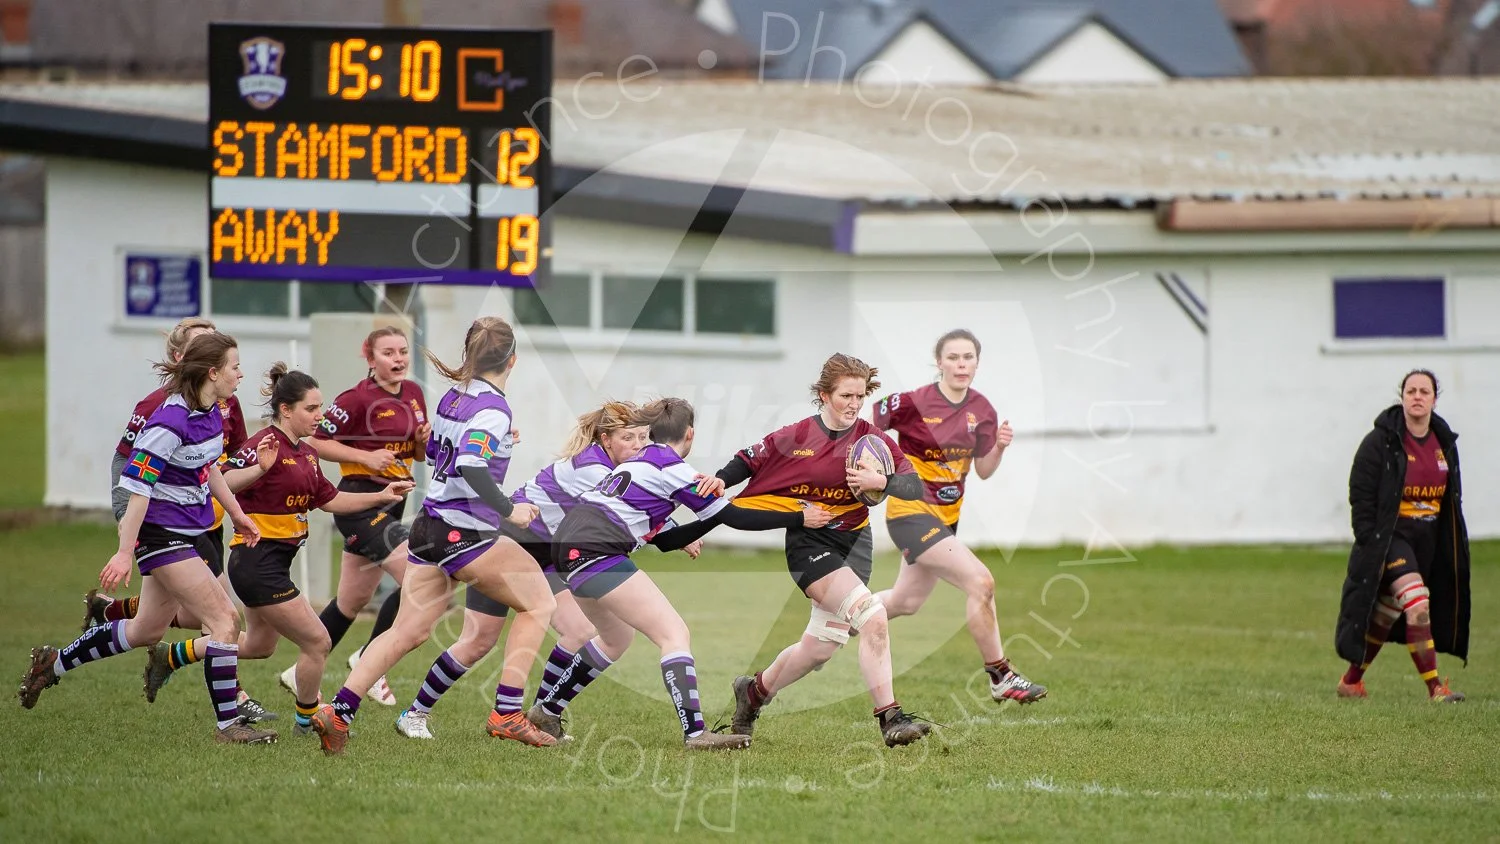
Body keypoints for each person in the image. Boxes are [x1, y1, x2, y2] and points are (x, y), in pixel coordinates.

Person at [310, 317, 557, 754]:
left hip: (429, 525)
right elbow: (471, 466)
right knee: (540, 603)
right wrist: (510, 509)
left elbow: (462, 450)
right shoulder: (493, 409)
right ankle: (507, 713)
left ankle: (339, 710)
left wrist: (499, 442)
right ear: (512, 360)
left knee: (408, 631)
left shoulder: (453, 396)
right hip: (468, 530)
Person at [18, 333, 277, 744]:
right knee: (225, 620)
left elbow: (209, 470)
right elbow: (138, 488)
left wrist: (239, 514)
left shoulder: (212, 412)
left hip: (183, 533)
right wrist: (125, 551)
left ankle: (54, 663)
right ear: (213, 373)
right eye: (234, 366)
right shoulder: (167, 421)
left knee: (144, 632)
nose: (240, 373)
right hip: (161, 535)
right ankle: (230, 726)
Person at [142, 364, 412, 735]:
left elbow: (329, 500)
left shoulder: (306, 452)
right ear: (286, 410)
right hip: (257, 562)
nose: (320, 416)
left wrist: (380, 495)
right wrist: (258, 469)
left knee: (258, 645)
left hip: (274, 563)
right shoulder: (264, 444)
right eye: (311, 409)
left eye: (320, 408)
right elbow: (221, 481)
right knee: (318, 641)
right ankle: (308, 720)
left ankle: (173, 655)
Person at [395, 401, 660, 742]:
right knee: (478, 641)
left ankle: (539, 716)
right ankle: (415, 713)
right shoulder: (593, 469)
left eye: (643, 437)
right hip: (509, 543)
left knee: (578, 629)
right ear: (606, 439)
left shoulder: (612, 467)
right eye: (629, 437)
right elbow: (627, 511)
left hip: (546, 555)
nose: (639, 445)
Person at [720, 353, 934, 748]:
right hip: (808, 543)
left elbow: (915, 487)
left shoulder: (873, 440)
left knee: (818, 649)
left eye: (860, 395)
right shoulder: (798, 435)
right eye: (845, 395)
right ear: (824, 395)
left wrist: (880, 479)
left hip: (855, 544)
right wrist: (717, 484)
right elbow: (750, 460)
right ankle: (891, 718)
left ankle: (752, 693)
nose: (854, 404)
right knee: (872, 616)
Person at [84, 317, 273, 720]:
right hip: (164, 527)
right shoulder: (160, 411)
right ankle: (233, 710)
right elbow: (132, 473)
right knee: (221, 617)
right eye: (210, 349)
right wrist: (126, 542)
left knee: (158, 624)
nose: (236, 370)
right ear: (188, 360)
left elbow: (218, 465)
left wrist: (242, 505)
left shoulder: (222, 405)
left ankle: (103, 625)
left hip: (203, 520)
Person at [872, 329, 1046, 704]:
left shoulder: (982, 411)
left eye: (968, 357)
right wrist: (873, 468)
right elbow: (866, 427)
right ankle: (1001, 675)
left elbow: (983, 470)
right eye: (953, 357)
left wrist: (998, 447)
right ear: (939, 362)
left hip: (945, 520)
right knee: (981, 582)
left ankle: (838, 619)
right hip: (910, 513)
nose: (961, 364)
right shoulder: (912, 402)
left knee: (905, 602)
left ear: (977, 363)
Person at [277, 326, 429, 708]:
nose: (398, 359)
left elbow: (419, 454)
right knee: (419, 577)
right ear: (370, 358)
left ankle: (297, 674)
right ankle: (369, 662)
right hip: (359, 503)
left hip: (393, 502)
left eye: (402, 351)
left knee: (351, 600)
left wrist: (424, 443)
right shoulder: (357, 399)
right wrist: (364, 457)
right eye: (388, 352)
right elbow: (315, 440)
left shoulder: (413, 394)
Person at [1336, 369, 1469, 703]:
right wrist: (1369, 538)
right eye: (1411, 391)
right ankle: (1435, 688)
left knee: (1386, 611)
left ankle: (1351, 683)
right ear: (1402, 396)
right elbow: (1361, 490)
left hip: (1425, 544)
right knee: (1417, 603)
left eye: (1425, 391)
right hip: (1392, 539)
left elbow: (1452, 499)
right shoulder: (1381, 441)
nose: (1417, 396)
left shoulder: (1444, 444)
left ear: (1434, 399)